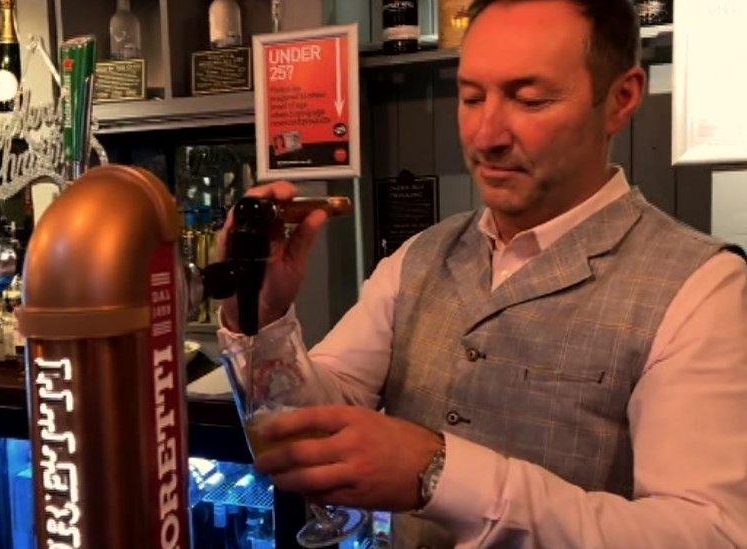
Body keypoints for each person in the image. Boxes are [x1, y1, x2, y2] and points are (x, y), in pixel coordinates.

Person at [216, 0, 747, 547]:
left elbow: (707, 532)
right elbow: (314, 426)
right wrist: (262, 310)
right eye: (471, 97)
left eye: (530, 99)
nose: (486, 134)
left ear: (620, 100)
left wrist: (439, 473)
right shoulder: (420, 255)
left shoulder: (701, 286)